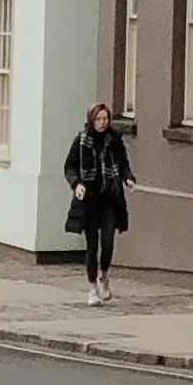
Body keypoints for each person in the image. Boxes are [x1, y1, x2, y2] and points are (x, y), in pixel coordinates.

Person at [65, 100, 132, 303]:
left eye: (105, 119)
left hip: (110, 199)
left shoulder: (114, 140)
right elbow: (69, 166)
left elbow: (122, 164)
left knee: (108, 243)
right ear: (91, 121)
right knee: (92, 245)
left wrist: (128, 178)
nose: (102, 123)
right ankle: (92, 287)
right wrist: (77, 184)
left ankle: (104, 276)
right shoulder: (82, 141)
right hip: (89, 201)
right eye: (99, 119)